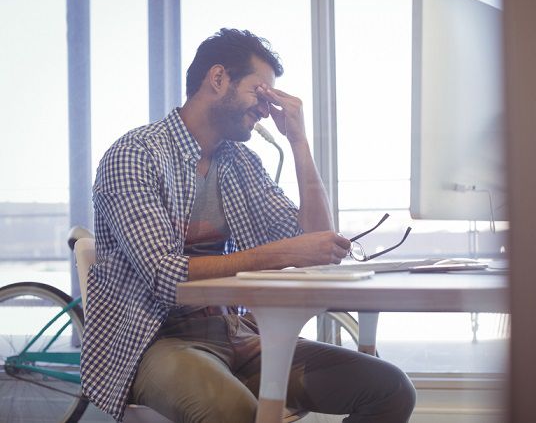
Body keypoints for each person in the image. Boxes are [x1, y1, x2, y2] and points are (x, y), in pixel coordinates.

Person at [81, 28, 416, 423]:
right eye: (260, 92)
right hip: (156, 341)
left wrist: (299, 142)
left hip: (236, 333)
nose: (265, 108)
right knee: (238, 414)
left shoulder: (240, 163)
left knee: (390, 390)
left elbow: (317, 248)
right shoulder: (134, 155)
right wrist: (285, 252)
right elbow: (164, 277)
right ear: (218, 78)